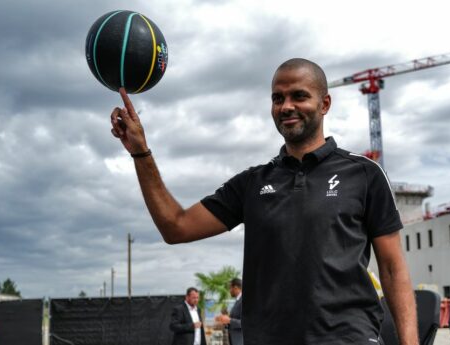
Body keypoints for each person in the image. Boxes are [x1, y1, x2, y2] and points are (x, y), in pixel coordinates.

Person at [111, 58, 418, 345]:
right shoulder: (252, 183)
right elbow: (175, 227)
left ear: (324, 104)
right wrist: (140, 152)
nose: (286, 106)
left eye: (299, 96)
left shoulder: (364, 173)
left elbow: (392, 269)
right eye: (277, 98)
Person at [215, 278, 242, 345]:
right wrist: (225, 319)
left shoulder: (243, 300)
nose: (229, 291)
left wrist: (229, 320)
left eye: (230, 288)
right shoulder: (238, 300)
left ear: (235, 288)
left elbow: (246, 322)